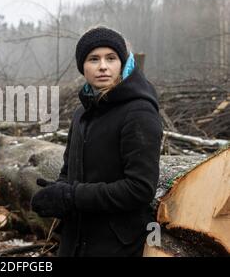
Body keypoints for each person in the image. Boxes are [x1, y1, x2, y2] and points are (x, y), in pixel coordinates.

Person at [31, 26, 163, 257]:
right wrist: (58, 193)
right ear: (83, 67)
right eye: (94, 59)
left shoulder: (139, 112)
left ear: (122, 63)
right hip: (74, 240)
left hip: (115, 245)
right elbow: (68, 170)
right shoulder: (81, 114)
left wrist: (72, 197)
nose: (103, 66)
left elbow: (140, 189)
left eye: (111, 58)